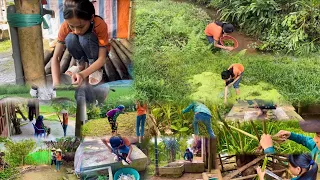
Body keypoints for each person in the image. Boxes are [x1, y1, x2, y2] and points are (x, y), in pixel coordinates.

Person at [51, 0, 109, 87]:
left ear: (92, 18)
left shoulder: (99, 24)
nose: (76, 31)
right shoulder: (65, 26)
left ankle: (95, 69)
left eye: (81, 26)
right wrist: (56, 83)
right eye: (71, 26)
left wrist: (82, 75)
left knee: (85, 37)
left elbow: (102, 58)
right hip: (83, 52)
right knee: (70, 38)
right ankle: (80, 65)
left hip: (97, 55)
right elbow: (56, 57)